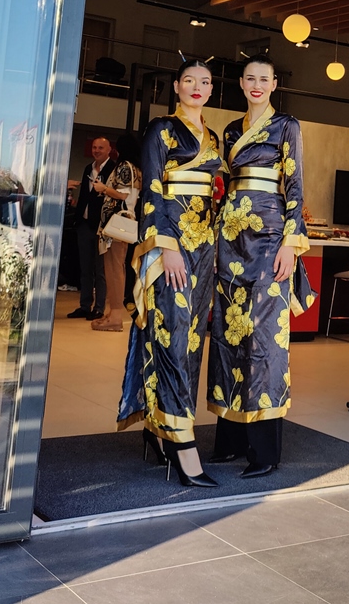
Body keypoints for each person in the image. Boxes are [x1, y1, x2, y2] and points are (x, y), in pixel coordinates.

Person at [207, 54, 314, 477]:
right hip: (230, 238)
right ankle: (230, 440)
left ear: (273, 85)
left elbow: (296, 186)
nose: (256, 84)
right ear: (240, 83)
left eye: (263, 79)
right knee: (228, 334)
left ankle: (264, 451)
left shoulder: (287, 125)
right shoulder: (231, 131)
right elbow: (223, 185)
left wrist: (290, 243)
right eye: (249, 78)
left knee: (265, 340)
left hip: (270, 241)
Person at [117, 59, 221, 487]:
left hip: (204, 250)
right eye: (189, 81)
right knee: (173, 337)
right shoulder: (161, 129)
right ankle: (182, 444)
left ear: (211, 90)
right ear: (176, 86)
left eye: (205, 82)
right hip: (171, 247)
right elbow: (152, 191)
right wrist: (167, 246)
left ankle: (159, 426)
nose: (197, 87)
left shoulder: (212, 136)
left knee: (192, 341)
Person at [92, 133, 142, 332]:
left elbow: (123, 195)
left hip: (117, 222)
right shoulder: (136, 168)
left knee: (114, 270)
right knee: (115, 269)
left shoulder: (125, 167)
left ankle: (115, 316)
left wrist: (103, 188)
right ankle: (112, 313)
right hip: (121, 221)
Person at [66, 137, 115, 320]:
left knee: (100, 269)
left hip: (102, 226)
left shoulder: (114, 169)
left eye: (101, 148)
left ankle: (99, 308)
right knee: (85, 268)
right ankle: (84, 305)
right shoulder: (88, 168)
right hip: (84, 224)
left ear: (109, 150)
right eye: (94, 147)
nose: (97, 150)